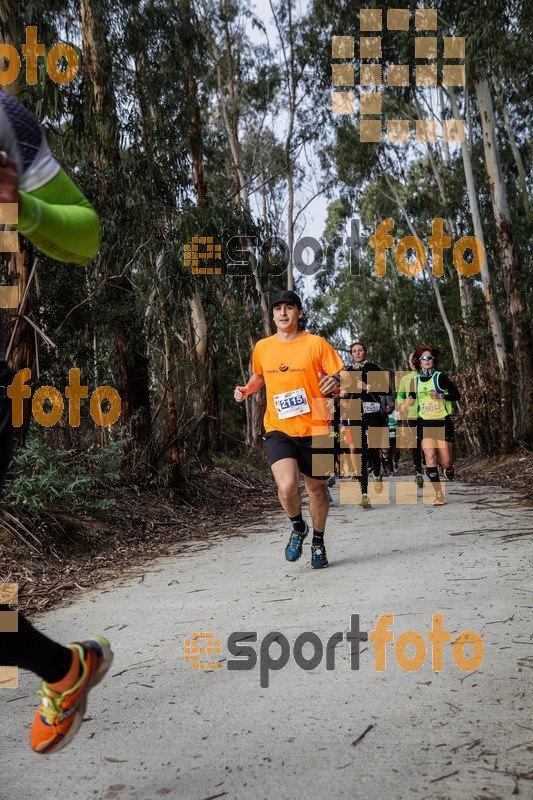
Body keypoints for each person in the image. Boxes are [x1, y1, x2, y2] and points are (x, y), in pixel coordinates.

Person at [0, 91, 113, 755]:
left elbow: (84, 233)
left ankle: (63, 670)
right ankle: (65, 669)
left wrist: (24, 208)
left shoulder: (7, 119)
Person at [234, 290, 343, 569]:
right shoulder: (263, 347)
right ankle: (298, 527)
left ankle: (318, 541)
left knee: (317, 490)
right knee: (286, 486)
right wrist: (247, 389)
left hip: (317, 427)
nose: (283, 313)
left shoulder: (316, 344)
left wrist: (335, 382)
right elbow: (260, 375)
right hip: (278, 427)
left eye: (289, 308)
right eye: (278, 309)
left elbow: (341, 375)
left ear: (299, 312)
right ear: (272, 315)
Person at [407, 345, 461, 506]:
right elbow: (410, 399)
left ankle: (449, 469)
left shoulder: (440, 377)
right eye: (424, 358)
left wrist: (441, 395)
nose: (427, 360)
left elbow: (456, 395)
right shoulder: (415, 381)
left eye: (430, 357)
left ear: (434, 361)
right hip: (426, 424)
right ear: (418, 362)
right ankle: (438, 494)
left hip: (443, 421)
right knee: (430, 457)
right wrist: (409, 401)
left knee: (446, 461)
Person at [340, 342, 388, 510]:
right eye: (354, 351)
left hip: (372, 411)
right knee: (360, 452)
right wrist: (342, 393)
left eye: (360, 350)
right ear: (351, 354)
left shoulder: (372, 368)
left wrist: (367, 387)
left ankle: (376, 473)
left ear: (365, 352)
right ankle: (364, 495)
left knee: (373, 449)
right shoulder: (347, 371)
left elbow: (386, 389)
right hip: (354, 413)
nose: (358, 353)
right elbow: (341, 390)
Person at [396, 353, 424, 487]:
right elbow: (400, 395)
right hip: (412, 415)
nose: (413, 362)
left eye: (416, 359)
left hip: (429, 414)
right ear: (409, 363)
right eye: (411, 360)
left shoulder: (428, 375)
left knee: (427, 443)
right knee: (416, 444)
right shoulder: (405, 379)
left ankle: (430, 465)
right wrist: (402, 404)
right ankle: (418, 473)